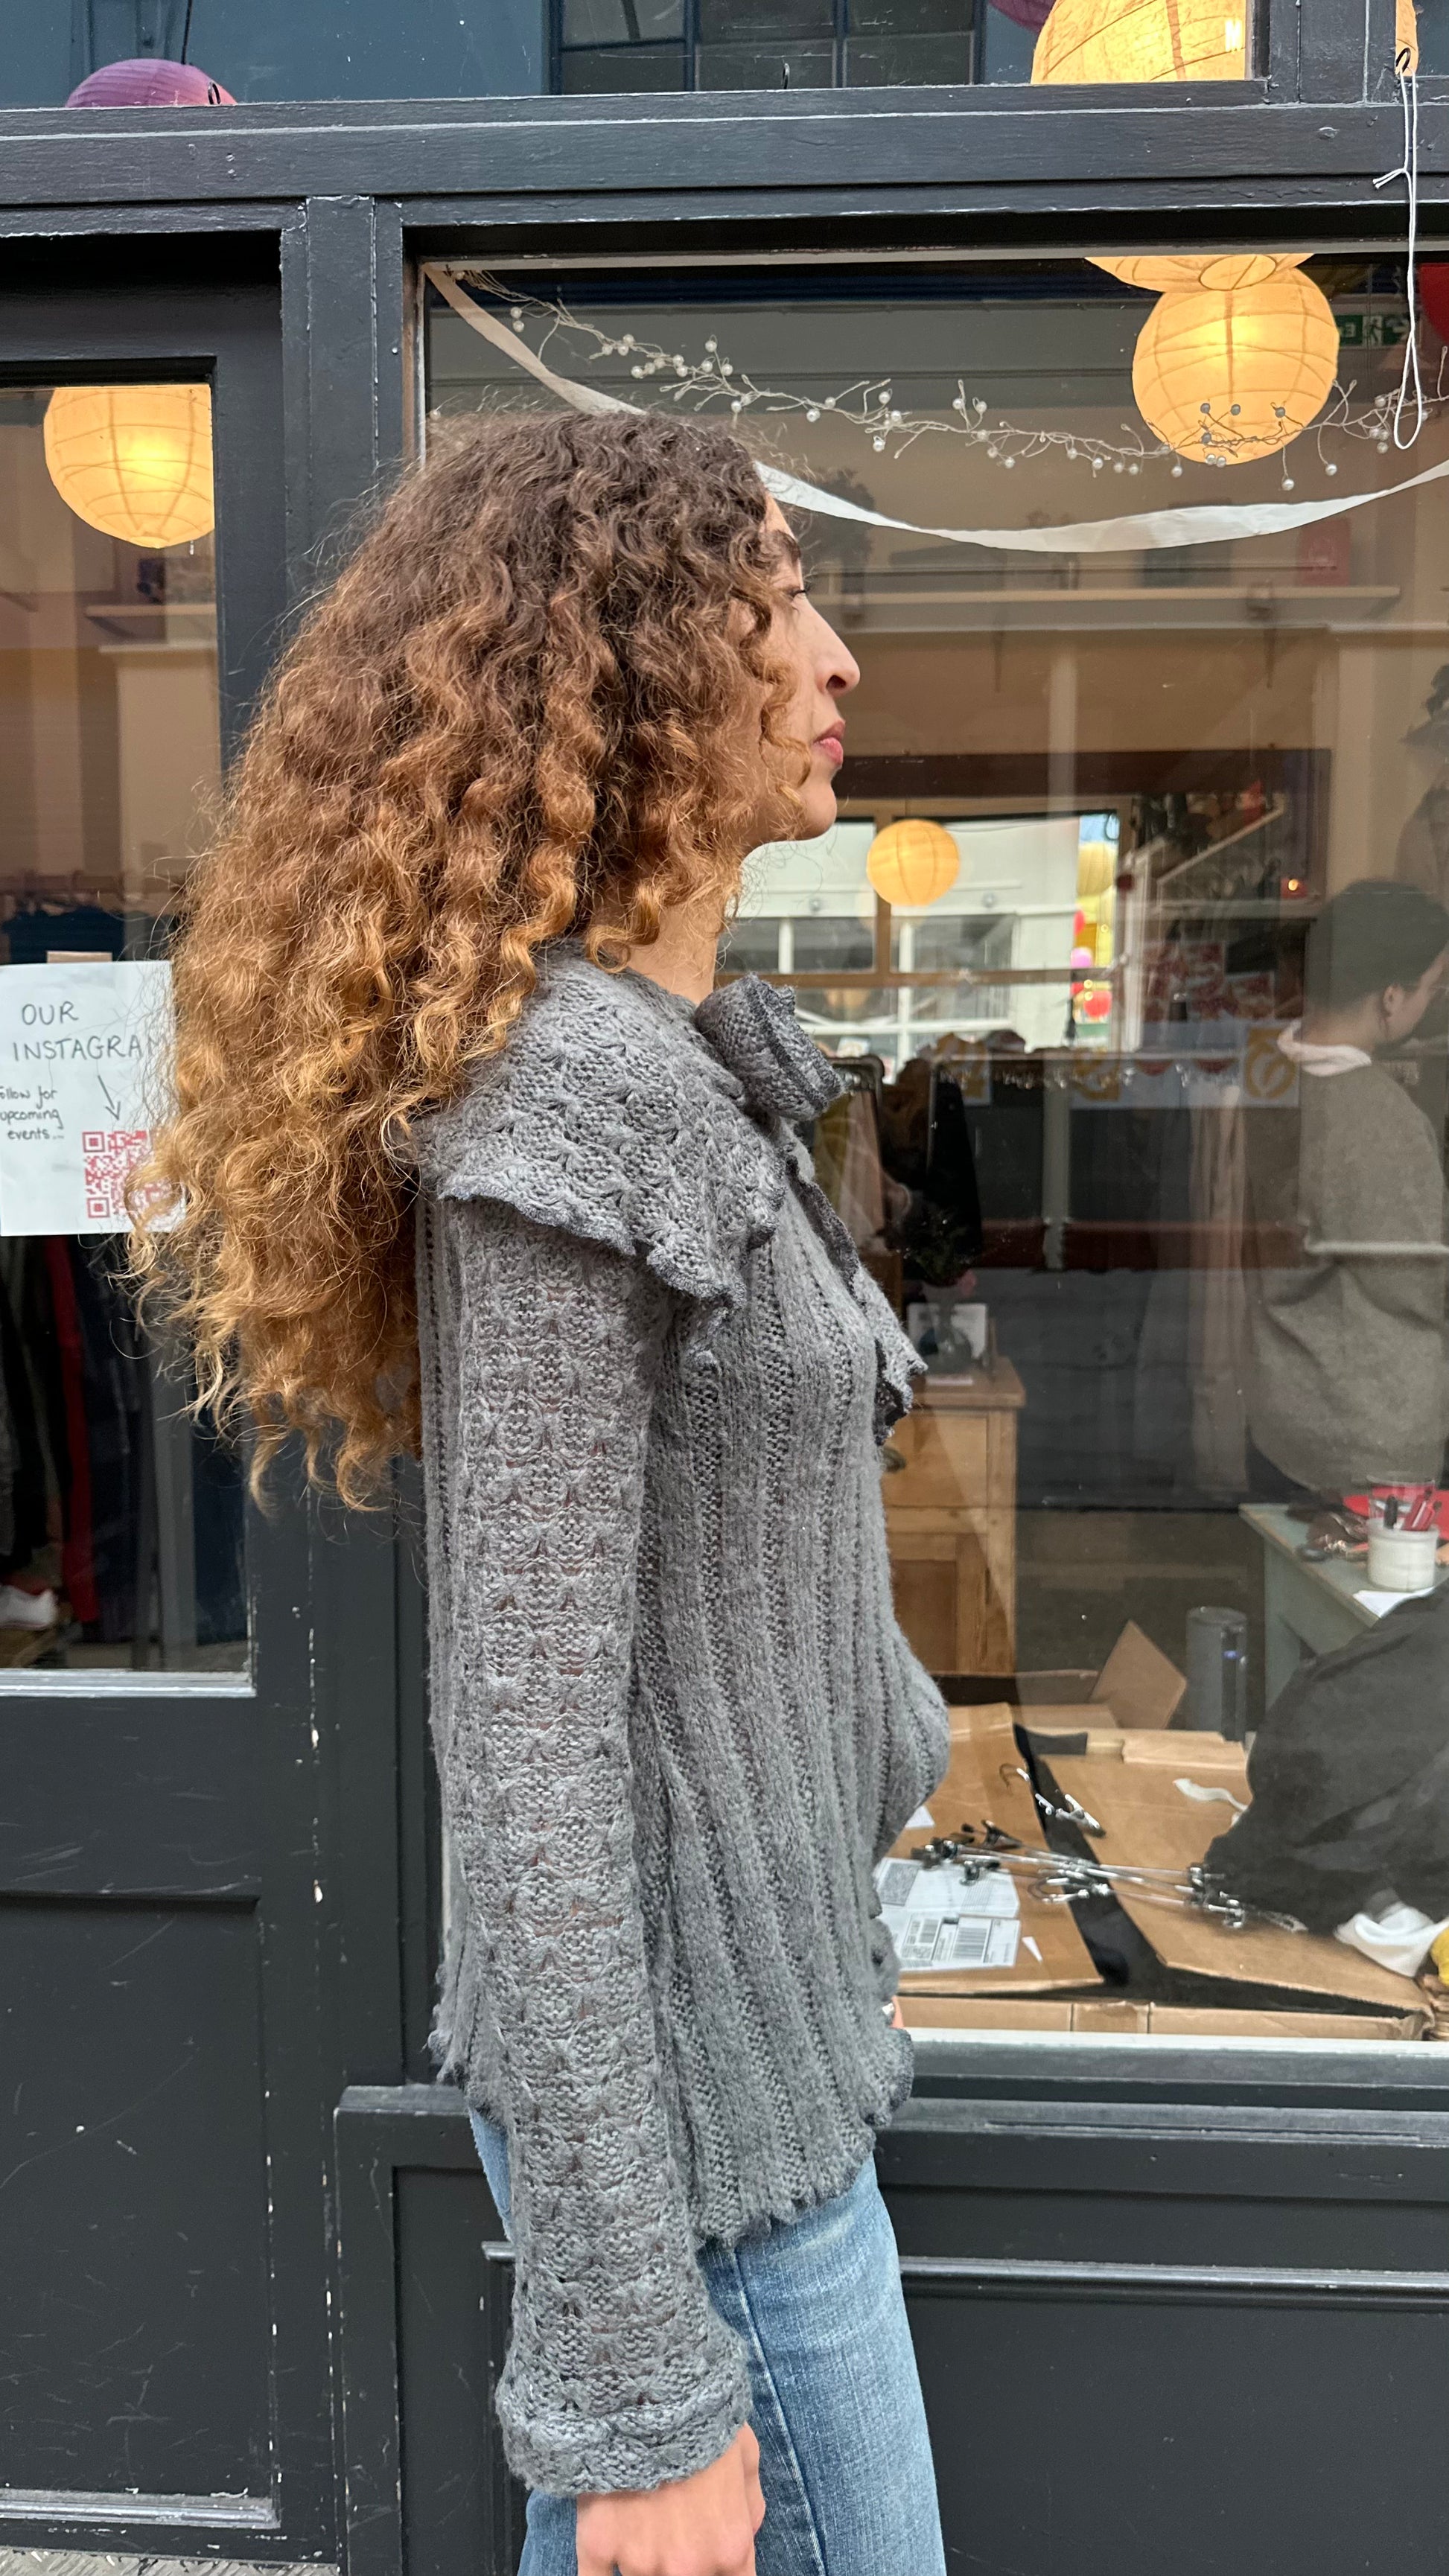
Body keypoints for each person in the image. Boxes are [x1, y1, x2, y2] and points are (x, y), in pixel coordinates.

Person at [132, 410, 951, 2576]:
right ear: (640, 662)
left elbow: (751, 1556)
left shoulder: (679, 1073)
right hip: (689, 2139)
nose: (836, 658)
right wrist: (630, 2370)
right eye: (781, 601)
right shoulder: (569, 1107)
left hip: (757, 2064)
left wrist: (875, 1751)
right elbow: (526, 1747)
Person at [1244, 877, 1449, 1498]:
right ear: (1391, 997)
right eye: (1433, 987)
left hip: (1283, 1402)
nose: (1433, 1002)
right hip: (1368, 1423)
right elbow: (1414, 1279)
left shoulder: (1271, 1078)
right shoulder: (1376, 1115)